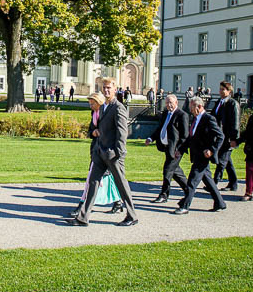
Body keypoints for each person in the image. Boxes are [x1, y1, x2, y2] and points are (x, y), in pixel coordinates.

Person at [66, 77, 139, 227]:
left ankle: (132, 215)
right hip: (100, 152)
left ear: (115, 89)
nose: (106, 90)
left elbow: (122, 133)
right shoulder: (103, 107)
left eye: (109, 88)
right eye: (104, 88)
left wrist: (118, 153)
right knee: (92, 183)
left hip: (113, 155)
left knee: (121, 185)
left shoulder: (118, 108)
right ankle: (82, 218)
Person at [70, 92, 123, 217]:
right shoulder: (94, 113)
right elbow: (90, 130)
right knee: (104, 178)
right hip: (96, 149)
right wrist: (93, 132)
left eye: (92, 103)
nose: (90, 106)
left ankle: (82, 206)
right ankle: (117, 202)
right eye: (89, 103)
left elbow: (113, 130)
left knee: (92, 178)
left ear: (98, 103)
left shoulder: (106, 112)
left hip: (106, 149)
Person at [173, 96, 226, 214]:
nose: (190, 109)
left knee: (192, 182)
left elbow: (221, 136)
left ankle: (185, 206)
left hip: (203, 156)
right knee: (208, 180)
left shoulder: (208, 119)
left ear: (199, 107)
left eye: (192, 107)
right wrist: (180, 149)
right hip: (196, 154)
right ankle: (220, 203)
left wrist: (212, 150)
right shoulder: (195, 119)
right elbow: (191, 138)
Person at [145, 94, 190, 203]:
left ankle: (164, 195)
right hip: (166, 148)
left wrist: (178, 150)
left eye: (171, 102)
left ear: (176, 103)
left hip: (176, 150)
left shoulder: (182, 115)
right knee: (176, 172)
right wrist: (151, 138)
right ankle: (189, 191)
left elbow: (185, 136)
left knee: (167, 171)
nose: (168, 105)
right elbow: (160, 128)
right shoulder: (166, 114)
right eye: (167, 103)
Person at [211, 81, 241, 191]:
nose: (221, 91)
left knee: (222, 160)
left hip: (228, 137)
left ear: (229, 91)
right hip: (220, 136)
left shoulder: (232, 104)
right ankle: (233, 183)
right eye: (220, 89)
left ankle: (214, 182)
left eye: (223, 89)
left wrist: (234, 138)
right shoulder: (219, 102)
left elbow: (235, 122)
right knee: (227, 161)